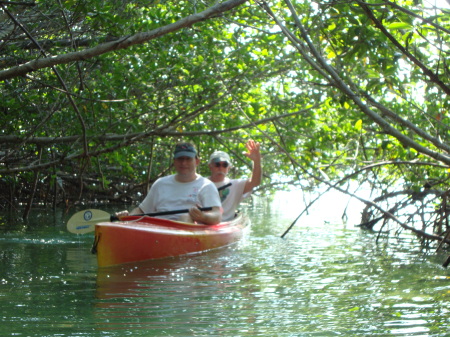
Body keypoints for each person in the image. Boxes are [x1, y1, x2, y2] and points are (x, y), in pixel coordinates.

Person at [117, 142, 222, 225]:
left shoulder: (206, 185)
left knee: (185, 217)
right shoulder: (160, 184)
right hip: (159, 228)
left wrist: (202, 217)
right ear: (174, 161)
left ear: (197, 161)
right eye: (180, 159)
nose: (184, 163)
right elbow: (141, 210)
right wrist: (127, 218)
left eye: (188, 159)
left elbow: (217, 215)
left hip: (189, 228)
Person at [208, 140, 262, 221]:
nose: (220, 167)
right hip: (204, 224)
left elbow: (255, 182)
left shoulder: (235, 185)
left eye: (224, 165)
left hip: (226, 226)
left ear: (228, 168)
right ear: (210, 166)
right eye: (217, 164)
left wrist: (256, 161)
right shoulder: (201, 183)